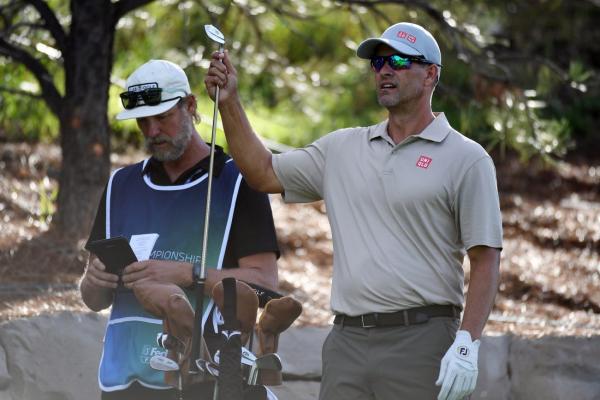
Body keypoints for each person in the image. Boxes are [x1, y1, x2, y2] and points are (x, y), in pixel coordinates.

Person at [205, 22, 503, 400]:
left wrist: (467, 342)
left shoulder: (467, 158)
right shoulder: (342, 148)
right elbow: (262, 172)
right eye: (378, 63)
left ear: (430, 74)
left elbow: (486, 258)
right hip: (347, 341)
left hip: (422, 340)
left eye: (398, 60)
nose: (386, 71)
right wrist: (230, 101)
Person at [79, 59, 280, 400]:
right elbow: (93, 298)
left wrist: (190, 273)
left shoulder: (237, 182)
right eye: (143, 120)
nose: (152, 130)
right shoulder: (121, 185)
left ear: (190, 105)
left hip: (206, 380)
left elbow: (265, 288)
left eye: (162, 117)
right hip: (124, 380)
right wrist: (92, 282)